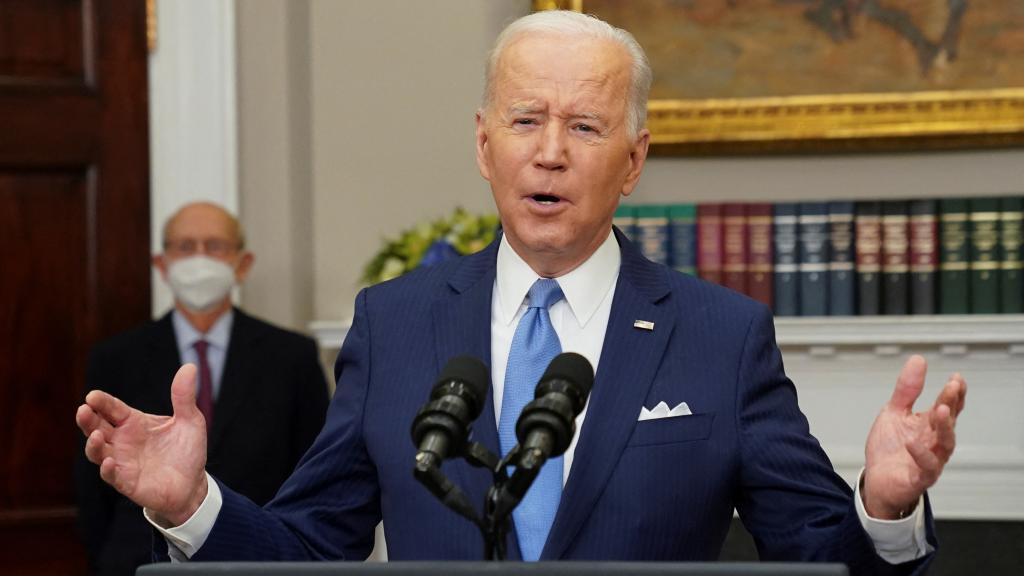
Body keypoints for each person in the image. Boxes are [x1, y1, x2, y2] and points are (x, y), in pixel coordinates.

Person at [75, 12, 966, 574]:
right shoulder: (396, 323)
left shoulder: (720, 336)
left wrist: (883, 508)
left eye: (584, 126)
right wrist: (192, 506)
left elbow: (822, 558)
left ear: (633, 162)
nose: (550, 152)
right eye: (525, 120)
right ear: (483, 143)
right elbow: (310, 549)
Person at [74, 202, 329, 575]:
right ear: (162, 264)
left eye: (215, 247)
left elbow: (315, 472)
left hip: (262, 556)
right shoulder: (115, 357)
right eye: (185, 247)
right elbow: (92, 486)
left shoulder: (293, 356)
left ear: (242, 264)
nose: (199, 258)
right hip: (139, 560)